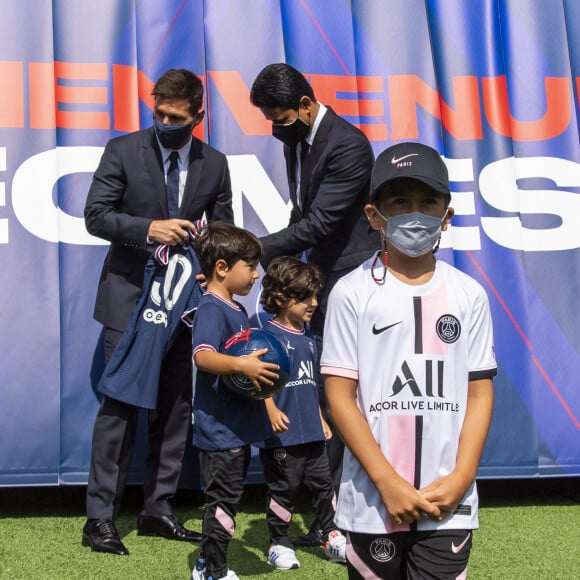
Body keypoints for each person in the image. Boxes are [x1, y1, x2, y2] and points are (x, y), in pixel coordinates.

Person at [321, 141, 497, 579]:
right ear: (373, 216)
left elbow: (479, 392)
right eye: (399, 201)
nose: (414, 213)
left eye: (427, 201)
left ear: (447, 215)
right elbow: (340, 397)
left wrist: (461, 478)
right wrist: (386, 482)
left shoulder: (469, 295)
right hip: (372, 498)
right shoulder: (351, 292)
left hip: (447, 502)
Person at [83, 68, 233, 556]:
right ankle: (99, 520)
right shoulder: (122, 149)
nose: (165, 121)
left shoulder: (215, 164)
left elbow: (223, 231)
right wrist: (150, 228)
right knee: (120, 410)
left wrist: (213, 275)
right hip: (129, 301)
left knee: (175, 410)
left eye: (176, 116)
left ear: (198, 116)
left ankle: (157, 510)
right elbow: (96, 215)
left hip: (184, 306)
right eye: (159, 113)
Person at [250, 63, 380, 545]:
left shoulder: (348, 146)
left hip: (349, 281)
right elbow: (301, 211)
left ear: (306, 106)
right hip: (317, 283)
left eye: (280, 118)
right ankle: (331, 519)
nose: (274, 128)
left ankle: (345, 517)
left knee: (342, 398)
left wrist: (255, 250)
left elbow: (321, 224)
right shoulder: (295, 140)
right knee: (322, 398)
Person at [190, 222, 279, 580]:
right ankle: (213, 571)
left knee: (228, 499)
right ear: (222, 268)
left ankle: (204, 564)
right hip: (220, 431)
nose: (257, 274)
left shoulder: (235, 308)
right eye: (251, 266)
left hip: (236, 429)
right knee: (223, 502)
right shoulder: (211, 308)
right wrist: (241, 364)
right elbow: (203, 356)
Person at [256, 256, 347, 570]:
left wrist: (320, 418)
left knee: (324, 486)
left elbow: (311, 384)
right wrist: (269, 408)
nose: (314, 302)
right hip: (282, 435)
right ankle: (278, 541)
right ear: (281, 298)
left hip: (312, 431)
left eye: (315, 295)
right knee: (284, 488)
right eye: (305, 297)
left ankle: (332, 535)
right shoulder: (266, 337)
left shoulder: (309, 338)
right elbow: (258, 381)